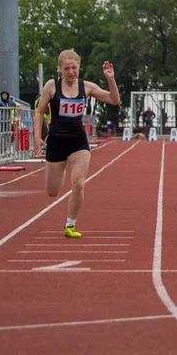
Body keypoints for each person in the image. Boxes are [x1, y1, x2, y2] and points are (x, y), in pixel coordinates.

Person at [33, 50, 120, 238]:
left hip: (78, 141)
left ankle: (70, 225)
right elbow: (39, 112)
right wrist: (38, 137)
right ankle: (61, 167)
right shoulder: (51, 86)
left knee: (79, 183)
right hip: (56, 140)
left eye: (74, 68)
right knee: (52, 192)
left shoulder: (86, 87)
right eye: (67, 69)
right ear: (60, 70)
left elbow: (114, 99)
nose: (71, 72)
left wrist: (110, 79)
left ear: (79, 67)